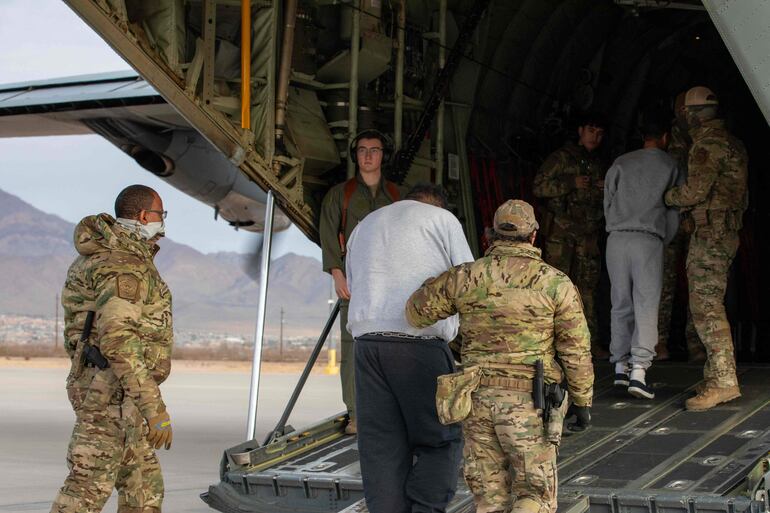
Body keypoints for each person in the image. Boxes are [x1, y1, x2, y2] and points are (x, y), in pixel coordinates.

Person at [405, 200, 594, 513]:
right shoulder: (555, 283)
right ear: (534, 236)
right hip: (530, 404)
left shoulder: (466, 277)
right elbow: (576, 349)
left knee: (489, 500)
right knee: (535, 496)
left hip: (475, 401)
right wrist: (582, 401)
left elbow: (415, 313)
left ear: (489, 235)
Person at [344, 184, 474, 513]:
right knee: (440, 439)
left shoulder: (365, 224)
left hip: (367, 345)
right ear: (439, 205)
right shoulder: (443, 220)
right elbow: (470, 282)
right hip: (418, 345)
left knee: (381, 448)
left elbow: (353, 281)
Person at [51, 185, 174, 513]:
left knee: (145, 488)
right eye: (160, 215)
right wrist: (154, 409)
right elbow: (118, 340)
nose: (162, 223)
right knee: (87, 490)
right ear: (145, 216)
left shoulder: (114, 255)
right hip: (108, 396)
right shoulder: (122, 263)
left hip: (119, 393)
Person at [665, 86, 748, 411]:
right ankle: (716, 373)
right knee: (710, 304)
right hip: (721, 231)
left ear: (690, 114)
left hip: (711, 234)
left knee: (706, 307)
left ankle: (724, 381)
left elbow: (694, 192)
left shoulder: (707, 144)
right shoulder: (731, 141)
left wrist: (667, 197)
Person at [318, 129, 404, 434]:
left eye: (375, 150)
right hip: (354, 283)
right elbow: (328, 234)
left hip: (391, 284)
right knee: (352, 348)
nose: (368, 156)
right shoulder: (340, 195)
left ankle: (391, 408)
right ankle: (356, 413)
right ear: (355, 155)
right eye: (363, 150)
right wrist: (336, 272)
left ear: (383, 156)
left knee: (393, 345)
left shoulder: (396, 196)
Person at [604, 115, 681, 399]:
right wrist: (663, 239)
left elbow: (607, 201)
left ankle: (619, 368)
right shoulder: (671, 165)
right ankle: (639, 371)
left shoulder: (621, 163)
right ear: (665, 137)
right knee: (646, 304)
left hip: (616, 239)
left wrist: (615, 226)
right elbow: (674, 210)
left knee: (620, 303)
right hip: (648, 240)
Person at [533, 113, 608, 359]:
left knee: (587, 289)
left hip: (587, 235)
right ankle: (549, 344)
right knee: (556, 289)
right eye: (591, 130)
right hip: (562, 236)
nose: (594, 137)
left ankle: (588, 342)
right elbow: (539, 186)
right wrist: (570, 182)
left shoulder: (598, 163)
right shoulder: (561, 158)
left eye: (599, 133)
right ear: (580, 130)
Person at [656, 92, 705, 362]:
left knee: (697, 283)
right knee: (665, 281)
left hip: (697, 217)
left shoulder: (704, 137)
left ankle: (695, 342)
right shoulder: (668, 138)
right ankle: (659, 341)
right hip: (671, 217)